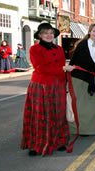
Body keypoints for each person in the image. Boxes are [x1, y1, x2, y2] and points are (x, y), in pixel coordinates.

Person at [21, 22, 74, 156]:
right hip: (41, 86)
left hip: (58, 86)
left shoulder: (59, 49)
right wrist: (62, 69)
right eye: (46, 33)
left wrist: (65, 81)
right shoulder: (35, 49)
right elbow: (40, 67)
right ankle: (35, 144)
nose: (49, 35)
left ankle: (59, 141)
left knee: (58, 114)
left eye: (51, 33)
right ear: (40, 35)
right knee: (40, 116)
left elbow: (62, 65)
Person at [69, 24, 95, 136]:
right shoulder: (82, 45)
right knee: (79, 106)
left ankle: (92, 129)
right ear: (89, 32)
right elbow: (73, 61)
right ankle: (79, 129)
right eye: (94, 31)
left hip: (94, 80)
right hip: (79, 78)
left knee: (93, 106)